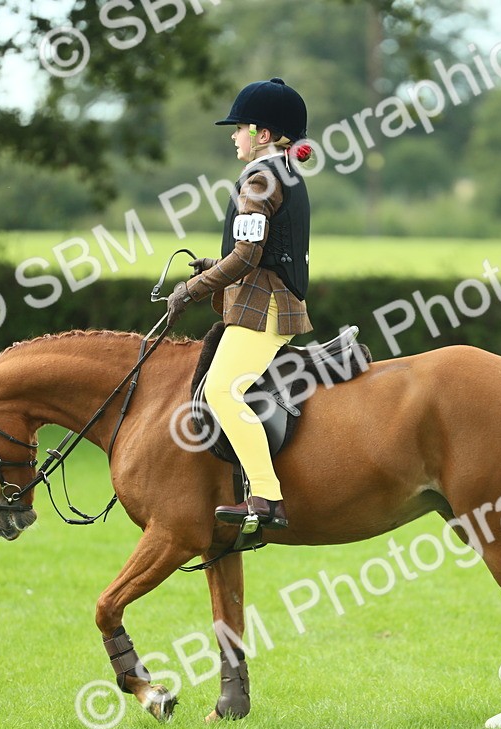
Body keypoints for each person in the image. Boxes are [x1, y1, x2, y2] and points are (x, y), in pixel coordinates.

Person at [165, 77, 313, 551]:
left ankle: (266, 497)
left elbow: (248, 257)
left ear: (264, 134)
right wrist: (214, 265)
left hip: (264, 307)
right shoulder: (284, 173)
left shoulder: (259, 178)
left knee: (223, 391)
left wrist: (192, 288)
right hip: (270, 297)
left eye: (240, 128)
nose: (234, 136)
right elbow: (262, 252)